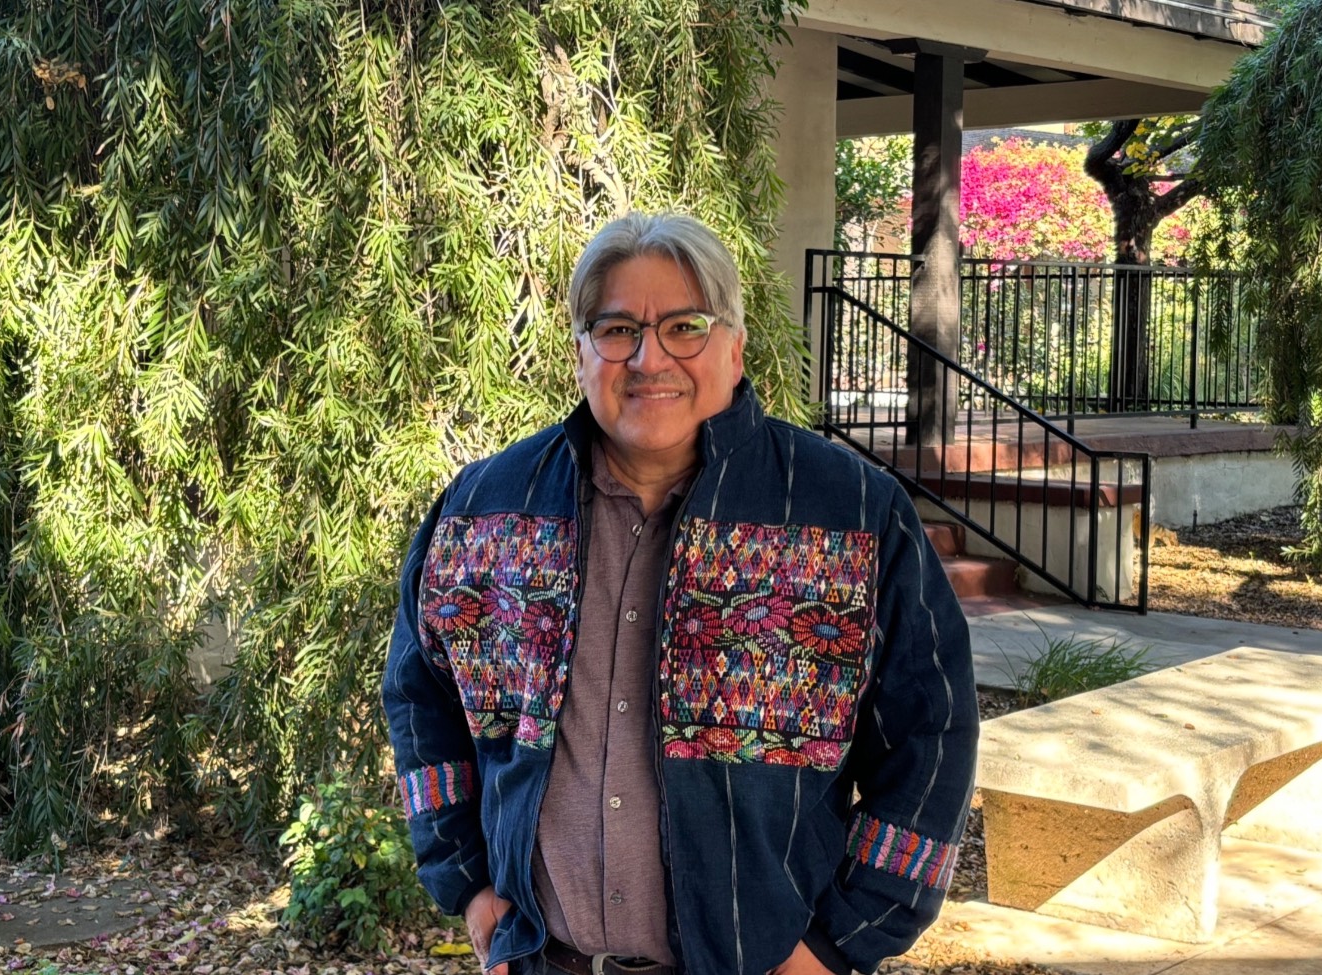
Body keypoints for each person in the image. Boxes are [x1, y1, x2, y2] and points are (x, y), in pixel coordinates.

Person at [383, 212, 978, 975]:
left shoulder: (853, 513)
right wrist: (466, 881)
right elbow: (418, 697)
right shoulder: (484, 508)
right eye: (617, 327)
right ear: (579, 354)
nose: (648, 356)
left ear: (733, 348)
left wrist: (840, 941)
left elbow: (934, 735)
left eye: (684, 326)